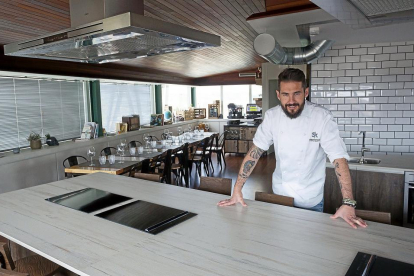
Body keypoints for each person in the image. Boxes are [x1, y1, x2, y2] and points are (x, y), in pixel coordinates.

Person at [217, 68, 367, 229]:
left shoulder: (322, 117)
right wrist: (237, 189)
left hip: (310, 199)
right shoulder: (272, 117)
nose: (291, 101)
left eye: (297, 93)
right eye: (285, 94)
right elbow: (255, 153)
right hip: (280, 196)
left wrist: (348, 202)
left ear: (306, 92)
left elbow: (338, 158)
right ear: (278, 94)